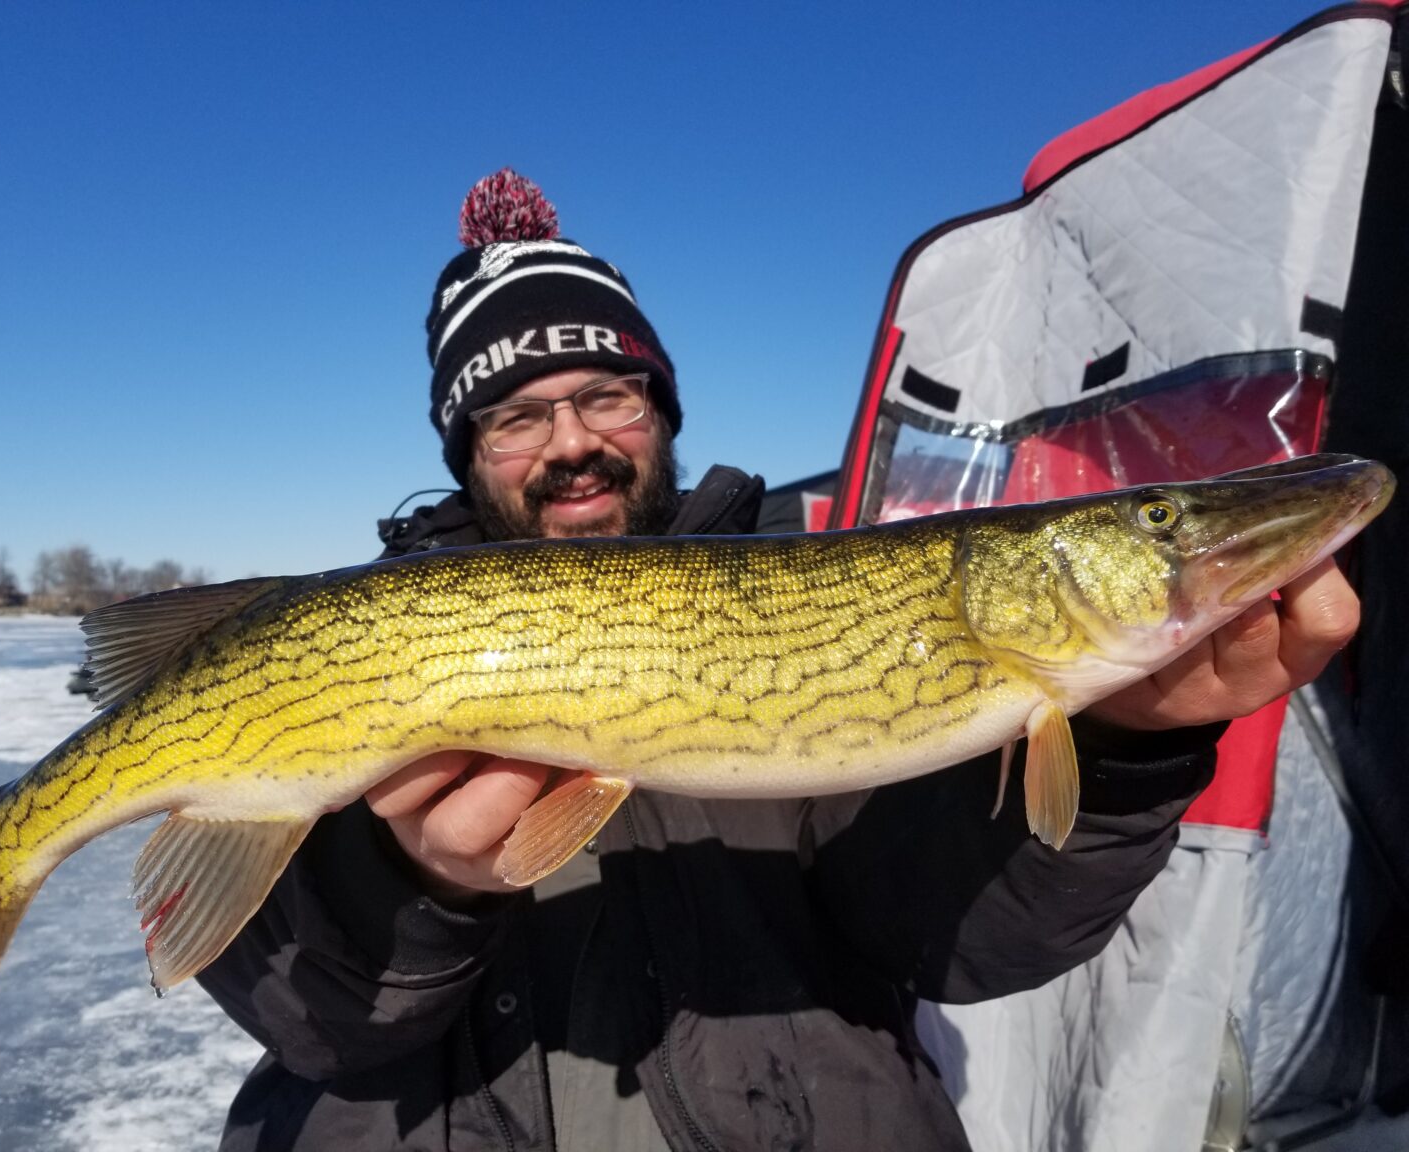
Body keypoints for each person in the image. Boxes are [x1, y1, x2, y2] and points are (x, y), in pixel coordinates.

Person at [196, 170, 1362, 1152]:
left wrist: (1118, 754)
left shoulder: (820, 592)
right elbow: (310, 1027)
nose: (573, 445)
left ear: (661, 411)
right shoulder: (362, 627)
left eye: (608, 395)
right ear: (466, 452)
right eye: (514, 417)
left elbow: (946, 940)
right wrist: (414, 885)